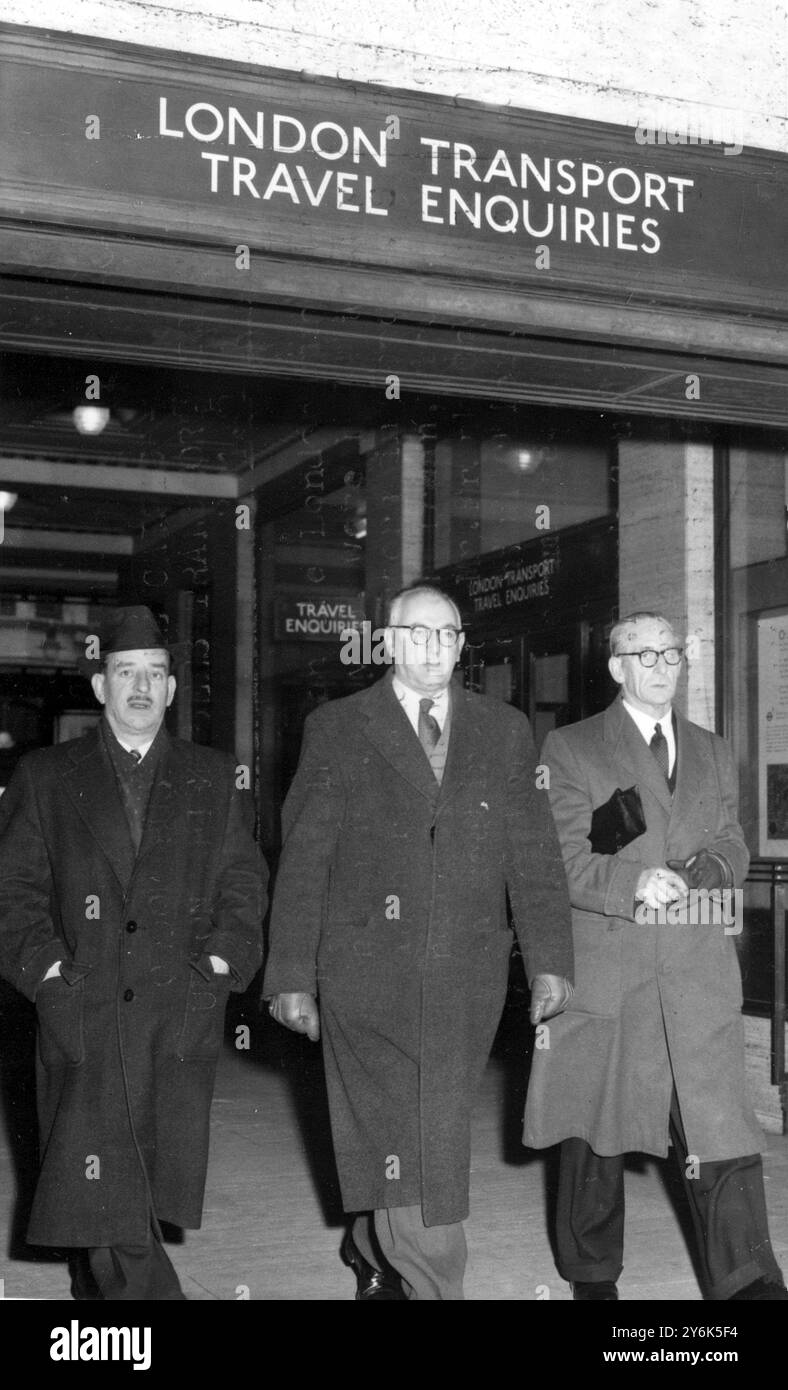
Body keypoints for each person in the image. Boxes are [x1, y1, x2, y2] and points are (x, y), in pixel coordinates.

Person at [264, 582, 574, 1300]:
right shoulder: (338, 727)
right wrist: (289, 976)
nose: (433, 648)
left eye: (447, 634)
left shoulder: (504, 729)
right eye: (417, 633)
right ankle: (437, 1286)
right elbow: (306, 857)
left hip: (467, 976)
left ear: (463, 645)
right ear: (388, 642)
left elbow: (533, 853)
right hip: (365, 975)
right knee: (420, 1143)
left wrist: (552, 959)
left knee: (425, 1130)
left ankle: (372, 1244)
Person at [0, 605, 268, 1300]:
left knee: (132, 1186)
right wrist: (49, 973)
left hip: (175, 1009)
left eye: (155, 674)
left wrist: (218, 965)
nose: (141, 687)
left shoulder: (213, 776)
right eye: (125, 673)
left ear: (174, 690)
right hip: (82, 1009)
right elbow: (14, 892)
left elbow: (243, 883)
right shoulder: (47, 775)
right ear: (100, 687)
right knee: (106, 1194)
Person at [523, 611, 788, 1301]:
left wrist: (715, 868)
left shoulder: (710, 747)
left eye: (673, 652)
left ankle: (750, 1282)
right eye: (645, 654)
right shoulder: (572, 747)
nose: (663, 665)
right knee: (596, 1135)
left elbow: (733, 837)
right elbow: (559, 859)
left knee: (720, 1129)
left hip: (697, 972)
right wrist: (632, 881)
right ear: (617, 667)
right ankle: (592, 1277)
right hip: (615, 971)